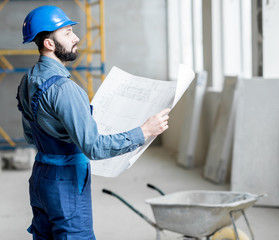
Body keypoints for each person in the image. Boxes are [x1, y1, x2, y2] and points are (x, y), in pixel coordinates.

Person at [16, 5, 170, 240]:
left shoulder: (28, 80)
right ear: (49, 43)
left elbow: (30, 135)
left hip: (41, 177)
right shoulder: (65, 89)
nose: (76, 38)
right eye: (67, 33)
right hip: (65, 180)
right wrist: (144, 131)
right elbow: (94, 147)